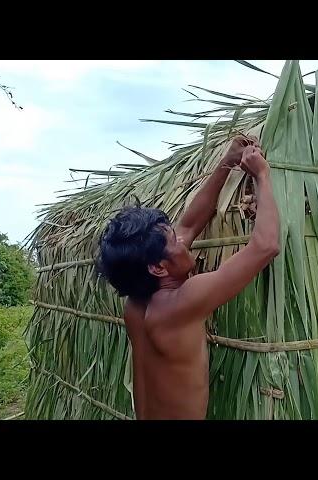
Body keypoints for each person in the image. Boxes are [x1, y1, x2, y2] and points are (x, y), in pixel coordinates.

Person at [96, 136, 280, 419]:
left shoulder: (136, 305)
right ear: (158, 267)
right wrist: (262, 175)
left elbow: (190, 224)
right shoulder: (179, 305)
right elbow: (266, 246)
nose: (184, 242)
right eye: (174, 241)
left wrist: (227, 163)